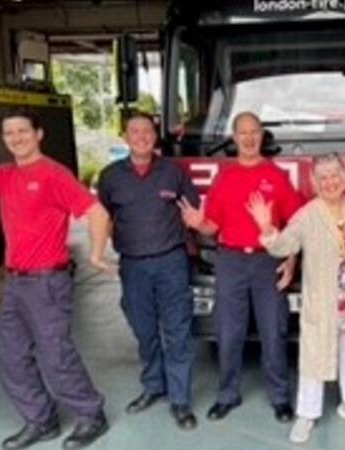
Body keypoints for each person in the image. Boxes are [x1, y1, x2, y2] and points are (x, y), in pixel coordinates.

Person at [0, 108, 111, 450]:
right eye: (9, 133)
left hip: (47, 282)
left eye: (22, 131)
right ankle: (40, 420)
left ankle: (91, 415)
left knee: (55, 354)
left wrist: (95, 253)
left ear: (38, 134)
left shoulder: (53, 174)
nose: (16, 138)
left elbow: (97, 212)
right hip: (12, 281)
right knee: (11, 355)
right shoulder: (5, 175)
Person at [246, 153, 345, 443]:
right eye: (323, 177)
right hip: (323, 302)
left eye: (335, 175)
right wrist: (266, 229)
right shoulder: (308, 214)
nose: (330, 182)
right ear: (314, 182)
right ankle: (306, 415)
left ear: (344, 177)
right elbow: (284, 245)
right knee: (313, 358)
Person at [179, 111, 301, 422]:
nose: (249, 138)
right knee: (228, 332)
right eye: (243, 133)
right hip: (231, 261)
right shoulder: (225, 178)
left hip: (267, 262)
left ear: (262, 136)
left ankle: (280, 398)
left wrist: (290, 260)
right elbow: (212, 226)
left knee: (274, 331)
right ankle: (227, 395)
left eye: (254, 132)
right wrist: (197, 223)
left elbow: (295, 227)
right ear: (234, 138)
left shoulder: (277, 176)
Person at [96, 112, 199, 429]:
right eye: (134, 131)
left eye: (147, 131)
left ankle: (180, 400)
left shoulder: (173, 172)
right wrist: (100, 252)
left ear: (156, 137)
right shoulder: (110, 175)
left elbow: (192, 213)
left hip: (171, 262)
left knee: (178, 331)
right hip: (133, 265)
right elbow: (102, 218)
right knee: (144, 331)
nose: (141, 136)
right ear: (125, 137)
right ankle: (154, 386)